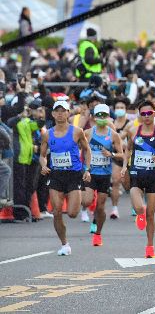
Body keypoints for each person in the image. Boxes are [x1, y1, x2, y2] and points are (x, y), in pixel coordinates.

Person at [121, 99, 155, 258]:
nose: (146, 116)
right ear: (139, 115)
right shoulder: (134, 131)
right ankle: (139, 213)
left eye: (149, 113)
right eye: (143, 113)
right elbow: (128, 150)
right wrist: (125, 165)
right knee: (141, 208)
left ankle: (150, 246)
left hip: (153, 177)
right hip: (136, 175)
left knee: (151, 214)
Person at [39, 99, 92, 256]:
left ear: (68, 113)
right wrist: (43, 165)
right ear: (53, 114)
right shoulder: (47, 134)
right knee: (56, 211)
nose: (60, 114)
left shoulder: (76, 131)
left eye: (64, 111)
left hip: (74, 175)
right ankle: (64, 244)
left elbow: (87, 150)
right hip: (55, 175)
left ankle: (80, 209)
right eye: (58, 111)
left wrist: (87, 169)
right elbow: (42, 156)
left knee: (72, 213)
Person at [83, 103, 124, 247]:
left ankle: (98, 234)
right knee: (87, 201)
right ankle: (90, 206)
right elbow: (78, 149)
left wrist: (111, 154)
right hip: (91, 173)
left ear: (108, 117)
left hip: (104, 175)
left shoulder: (113, 135)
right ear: (94, 117)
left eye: (104, 115)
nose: (101, 117)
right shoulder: (88, 133)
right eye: (98, 115)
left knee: (100, 207)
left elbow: (121, 155)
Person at [10, 100, 46, 221]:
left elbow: (38, 124)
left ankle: (26, 211)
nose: (27, 111)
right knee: (19, 187)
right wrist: (20, 115)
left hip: (27, 158)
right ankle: (20, 213)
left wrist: (41, 115)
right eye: (25, 109)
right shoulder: (16, 121)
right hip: (18, 157)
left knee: (28, 187)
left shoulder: (27, 122)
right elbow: (10, 122)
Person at [18, 7, 33, 73]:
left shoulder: (23, 21)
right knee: (25, 64)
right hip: (25, 46)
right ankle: (23, 80)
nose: (29, 13)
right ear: (24, 12)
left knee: (25, 64)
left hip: (25, 46)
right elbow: (25, 33)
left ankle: (23, 79)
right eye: (28, 12)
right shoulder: (24, 22)